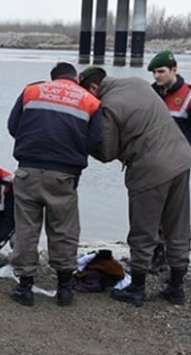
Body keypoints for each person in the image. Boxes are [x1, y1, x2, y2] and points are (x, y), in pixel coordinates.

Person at [79, 66, 191, 307]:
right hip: (182, 158)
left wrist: (85, 141)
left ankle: (137, 288)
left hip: (150, 168)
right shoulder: (137, 83)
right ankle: (177, 287)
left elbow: (107, 152)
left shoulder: (107, 106)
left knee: (143, 229)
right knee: (178, 226)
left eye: (86, 95)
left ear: (94, 88)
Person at [7, 62, 102, 307]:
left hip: (28, 169)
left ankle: (25, 288)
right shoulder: (90, 101)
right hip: (64, 175)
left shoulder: (31, 91)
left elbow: (13, 127)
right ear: (76, 77)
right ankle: (64, 289)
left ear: (52, 78)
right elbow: (95, 141)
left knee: (26, 229)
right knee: (64, 230)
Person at [147, 50, 191, 273]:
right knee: (151, 210)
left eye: (161, 71)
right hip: (151, 161)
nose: (157, 76)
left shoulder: (188, 96)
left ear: (174, 70)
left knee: (174, 213)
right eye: (154, 72)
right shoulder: (150, 94)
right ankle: (155, 253)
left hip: (177, 162)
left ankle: (173, 255)